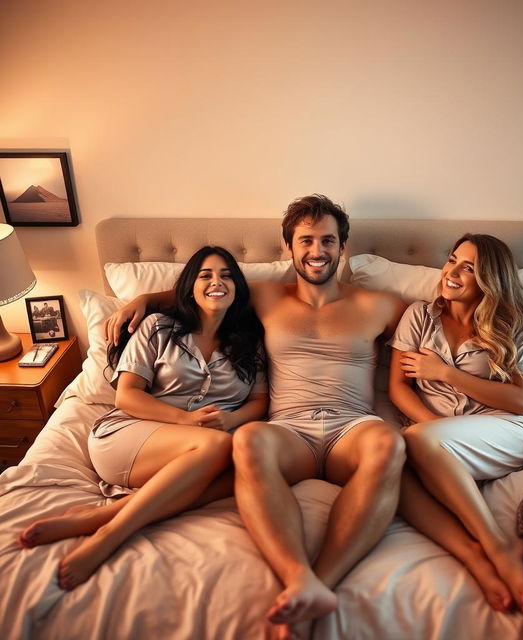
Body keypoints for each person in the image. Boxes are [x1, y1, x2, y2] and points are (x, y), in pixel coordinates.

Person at [103, 195, 407, 638]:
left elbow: (434, 340)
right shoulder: (263, 296)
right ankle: (296, 576)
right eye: (305, 241)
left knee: (390, 442)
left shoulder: (382, 304)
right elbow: (201, 291)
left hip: (351, 428)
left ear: (343, 246)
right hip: (289, 432)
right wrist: (144, 299)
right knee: (246, 441)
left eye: (327, 240)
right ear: (288, 248)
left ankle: (319, 582)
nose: (316, 251)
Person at [19, 246, 268, 591]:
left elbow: (259, 401)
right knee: (221, 448)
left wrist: (231, 419)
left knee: (247, 464)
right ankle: (111, 533)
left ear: (238, 287)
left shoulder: (249, 341)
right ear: (189, 287)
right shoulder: (158, 326)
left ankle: (100, 515)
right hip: (131, 436)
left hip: (205, 445)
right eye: (205, 275)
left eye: (226, 276)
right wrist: (185, 419)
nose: (217, 282)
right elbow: (127, 395)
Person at [388, 233, 523, 614]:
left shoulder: (509, 326)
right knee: (391, 464)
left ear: (490, 279)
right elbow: (397, 388)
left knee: (415, 443)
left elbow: (519, 400)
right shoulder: (419, 316)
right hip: (434, 436)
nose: (452, 271)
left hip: (501, 429)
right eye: (452, 259)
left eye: (469, 267)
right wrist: (432, 431)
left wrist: (446, 374)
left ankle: (498, 544)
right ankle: (474, 557)